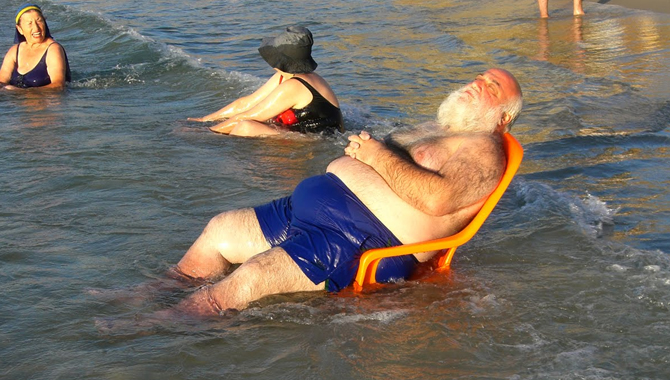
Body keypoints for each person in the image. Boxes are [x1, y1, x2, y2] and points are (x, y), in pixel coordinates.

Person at [142, 68, 523, 318]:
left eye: (491, 87)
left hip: (361, 239)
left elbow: (439, 199)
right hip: (313, 213)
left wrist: (376, 155)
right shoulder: (440, 131)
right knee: (221, 230)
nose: (477, 83)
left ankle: (155, 331)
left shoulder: (483, 149)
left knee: (252, 276)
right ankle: (153, 293)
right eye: (479, 77)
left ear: (503, 117)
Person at [189, 26, 344, 137]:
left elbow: (246, 118)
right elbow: (244, 104)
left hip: (317, 141)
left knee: (245, 127)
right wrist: (204, 120)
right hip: (298, 133)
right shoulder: (285, 77)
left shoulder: (294, 86)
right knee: (246, 124)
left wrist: (207, 133)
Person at [0, 4, 71, 90]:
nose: (36, 28)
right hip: (18, 102)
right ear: (20, 29)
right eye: (29, 23)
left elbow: (58, 85)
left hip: (48, 101)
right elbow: (2, 82)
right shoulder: (14, 51)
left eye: (39, 21)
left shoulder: (53, 49)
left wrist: (21, 93)